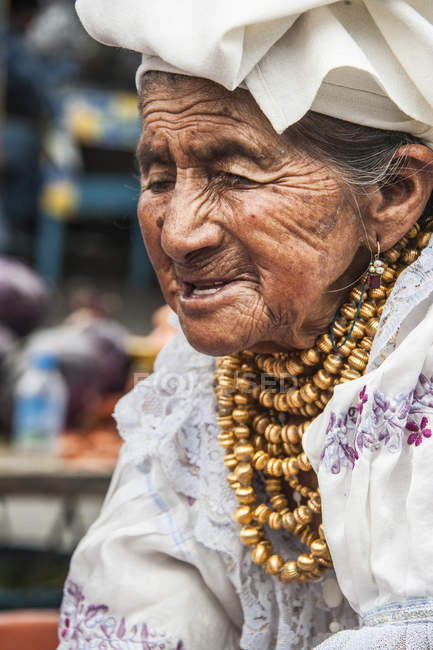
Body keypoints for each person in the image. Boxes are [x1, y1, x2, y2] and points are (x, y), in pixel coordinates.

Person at [58, 2, 433, 648]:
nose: (178, 232)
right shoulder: (197, 399)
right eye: (158, 176)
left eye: (233, 174)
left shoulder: (417, 366)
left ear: (392, 194)